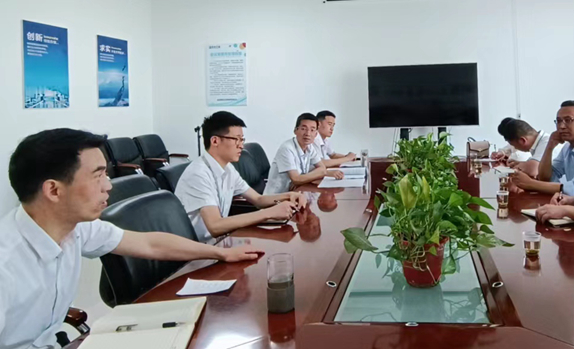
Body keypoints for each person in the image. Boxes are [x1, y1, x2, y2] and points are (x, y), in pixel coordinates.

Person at [0, 129, 263, 349]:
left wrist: (220, 253)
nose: (108, 185)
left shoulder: (77, 228)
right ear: (54, 190)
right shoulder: (6, 263)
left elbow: (149, 243)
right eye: (97, 176)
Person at [175, 111, 307, 243]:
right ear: (215, 141)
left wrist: (289, 195)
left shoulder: (228, 168)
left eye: (242, 139)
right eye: (236, 139)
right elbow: (215, 226)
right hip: (198, 249)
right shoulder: (198, 174)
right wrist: (269, 213)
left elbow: (258, 199)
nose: (241, 145)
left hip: (221, 241)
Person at [510, 101, 574, 195]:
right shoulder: (567, 147)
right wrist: (549, 147)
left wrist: (531, 184)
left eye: (568, 120)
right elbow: (546, 178)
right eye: (559, 121)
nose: (561, 126)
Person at [265, 113, 344, 195]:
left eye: (312, 130)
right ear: (295, 130)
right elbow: (296, 179)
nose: (308, 133)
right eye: (303, 129)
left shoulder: (309, 147)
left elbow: (322, 168)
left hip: (295, 193)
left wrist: (303, 178)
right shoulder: (287, 148)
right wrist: (322, 173)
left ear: (316, 134)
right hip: (277, 197)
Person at [491, 117, 562, 177]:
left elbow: (534, 170)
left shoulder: (547, 142)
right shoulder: (539, 142)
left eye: (514, 145)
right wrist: (518, 164)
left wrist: (517, 166)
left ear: (522, 140)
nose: (515, 148)